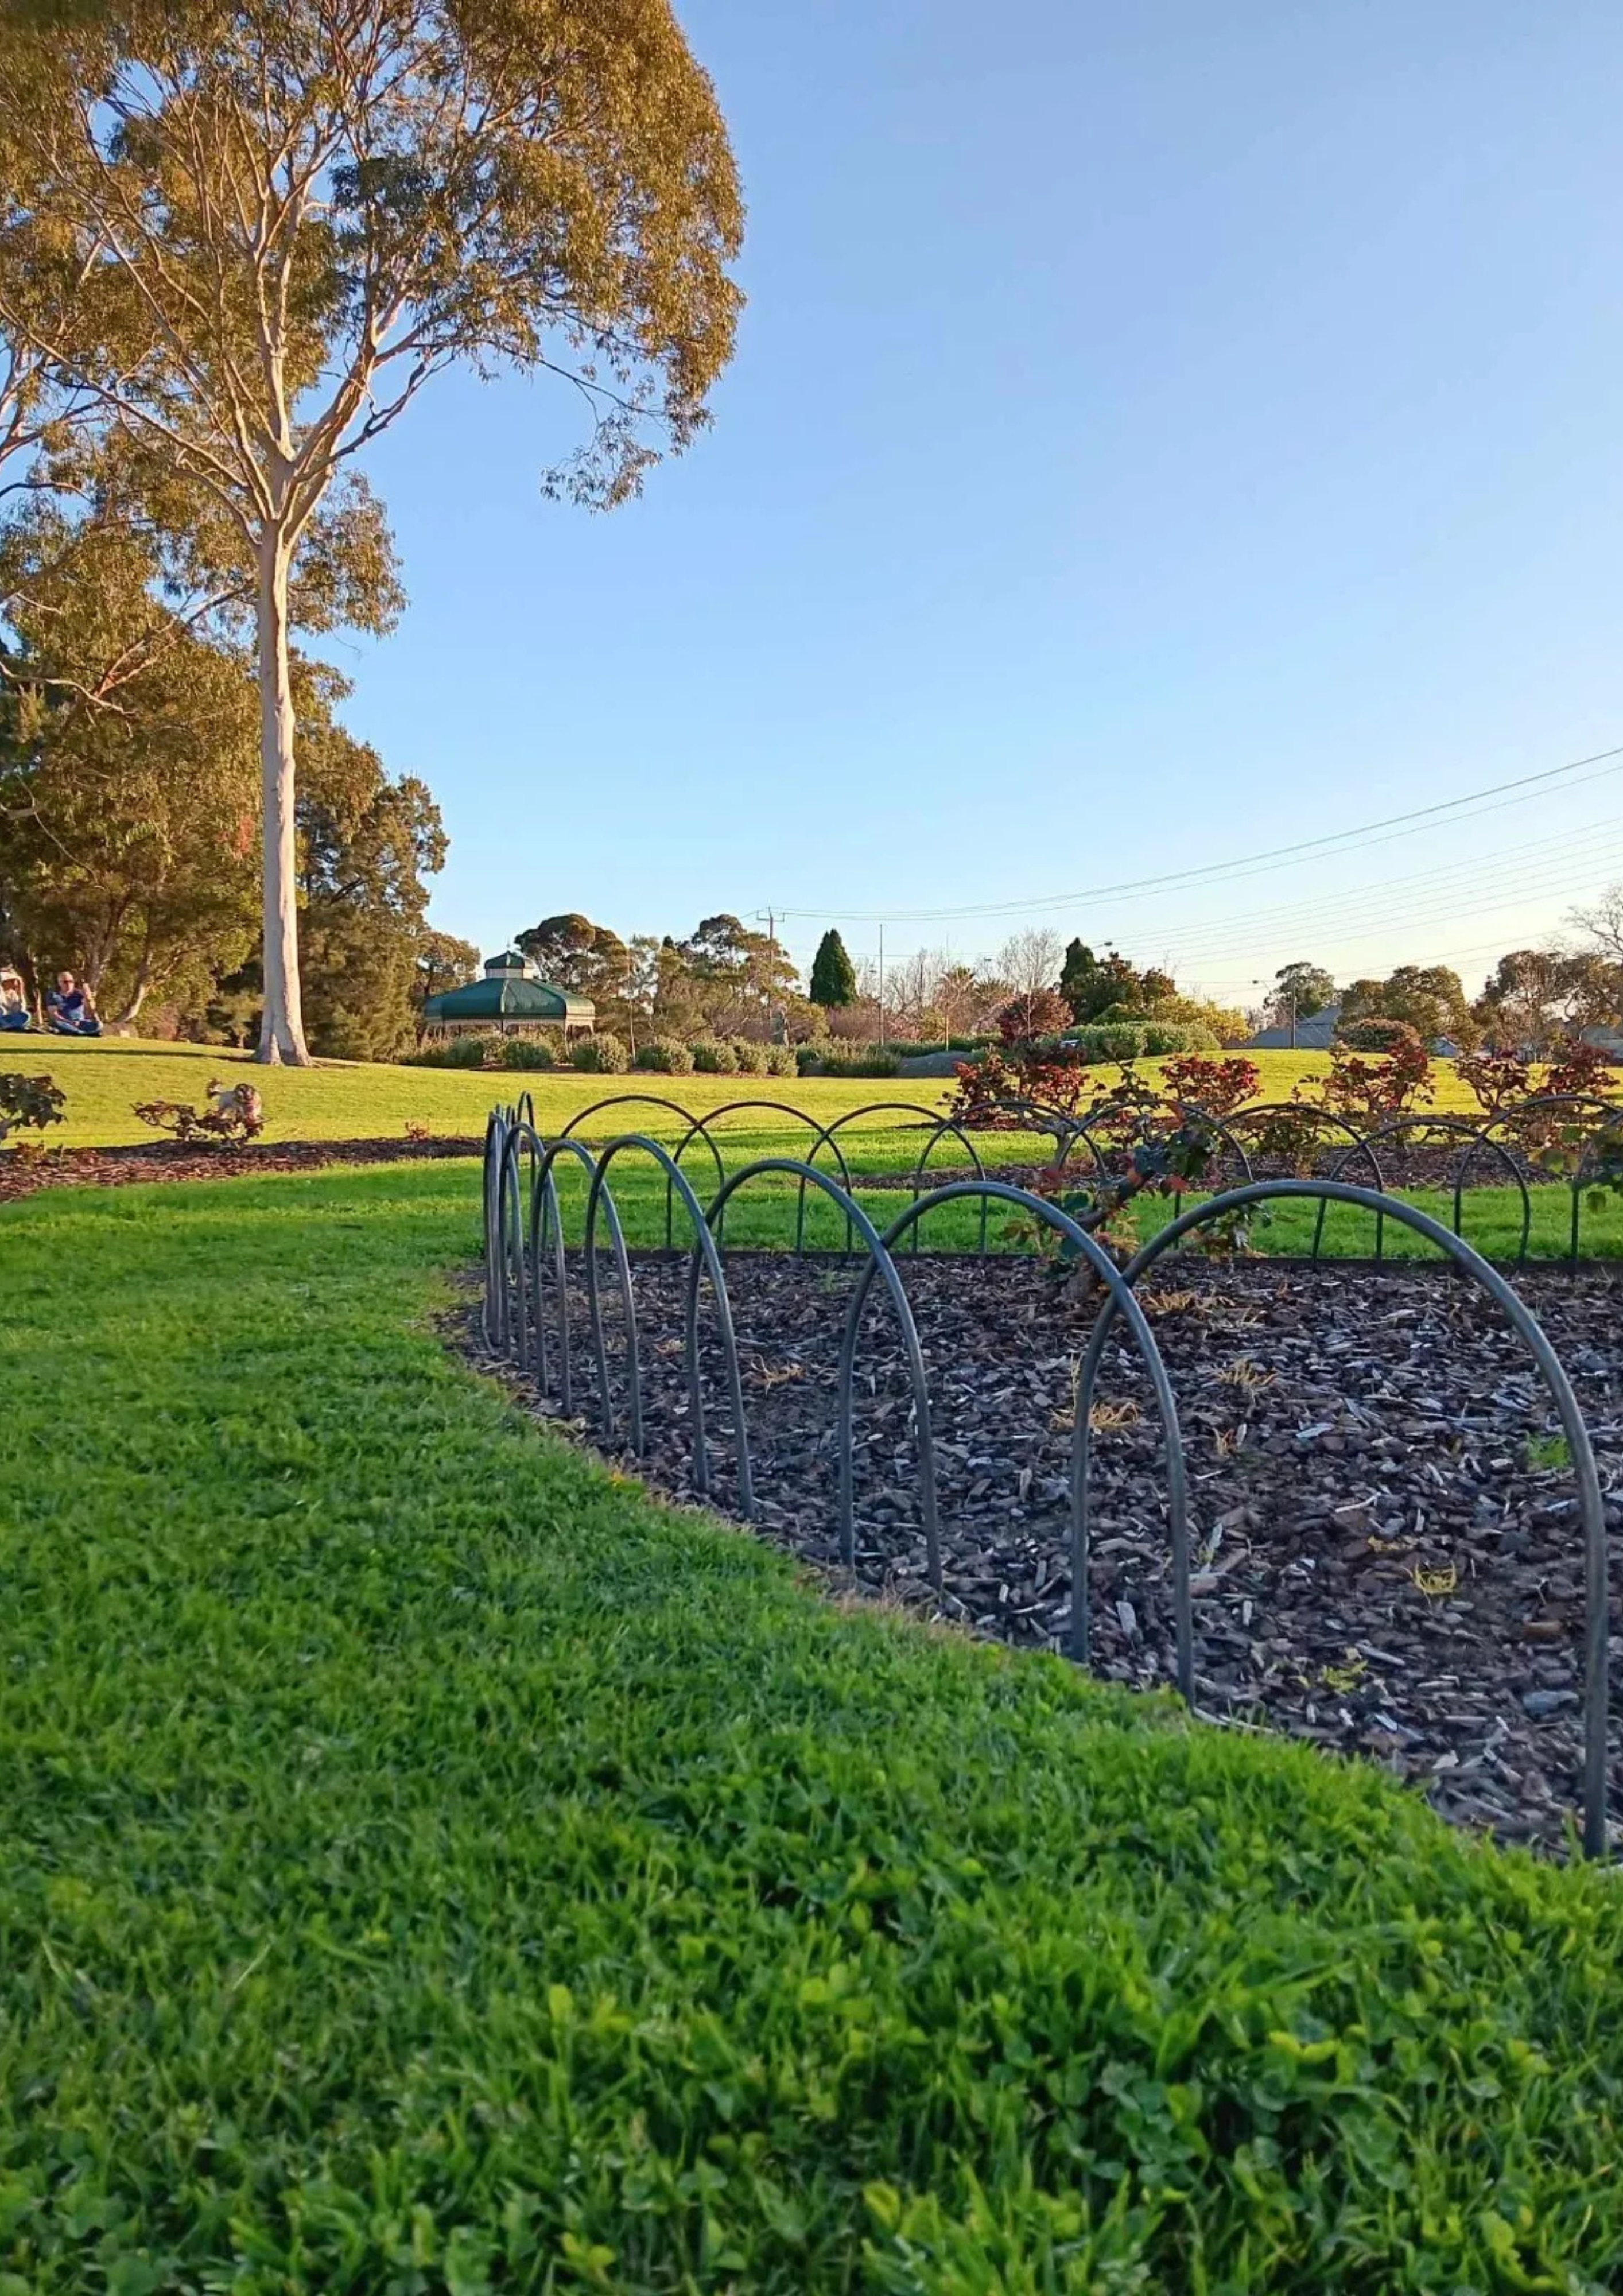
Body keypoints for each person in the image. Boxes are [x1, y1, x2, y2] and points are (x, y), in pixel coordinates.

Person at [46, 970, 102, 1037]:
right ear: (59, 983)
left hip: (80, 1022)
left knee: (98, 1025)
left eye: (71, 982)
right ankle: (83, 1033)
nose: (69, 984)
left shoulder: (79, 994)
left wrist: (88, 998)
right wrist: (70, 1022)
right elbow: (54, 1015)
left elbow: (91, 1010)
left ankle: (79, 1032)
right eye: (65, 982)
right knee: (58, 1023)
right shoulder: (53, 995)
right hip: (64, 1022)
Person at [0, 966, 30, 1032]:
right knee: (1, 1010)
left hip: (8, 1019)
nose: (14, 982)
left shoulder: (13, 994)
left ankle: (10, 1027)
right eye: (11, 980)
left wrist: (21, 992)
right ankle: (9, 1027)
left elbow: (21, 1010)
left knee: (26, 1015)